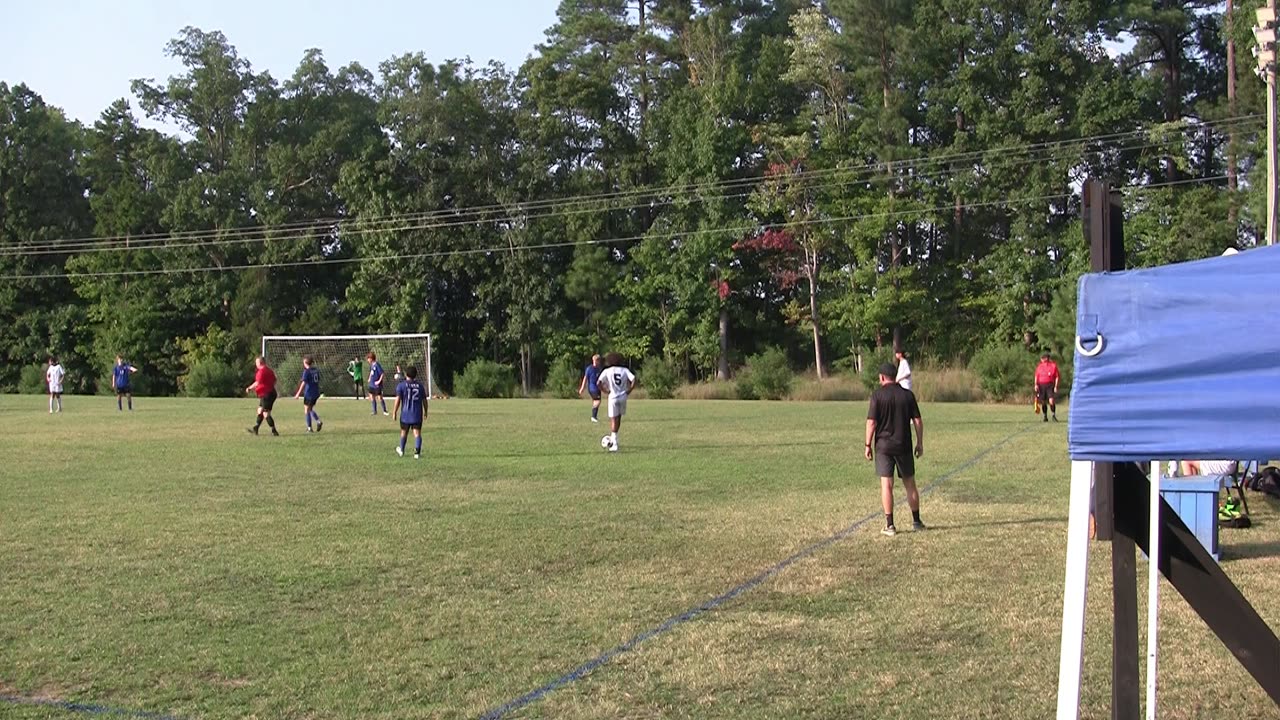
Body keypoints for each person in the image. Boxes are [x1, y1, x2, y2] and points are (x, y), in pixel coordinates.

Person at [865, 362, 925, 536]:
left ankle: (890, 525)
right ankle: (916, 521)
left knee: (887, 485)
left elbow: (872, 422)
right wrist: (919, 443)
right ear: (895, 377)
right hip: (904, 444)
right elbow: (918, 421)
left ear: (882, 377)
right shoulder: (907, 395)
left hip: (883, 446)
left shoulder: (877, 396)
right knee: (910, 483)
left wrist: (867, 444)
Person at [599, 352, 636, 453]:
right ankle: (614, 437)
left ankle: (614, 442)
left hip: (613, 397)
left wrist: (605, 391)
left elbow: (599, 382)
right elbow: (633, 379)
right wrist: (629, 390)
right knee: (618, 418)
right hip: (623, 396)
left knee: (613, 419)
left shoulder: (608, 371)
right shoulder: (625, 370)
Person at [393, 366, 427, 459]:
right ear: (416, 374)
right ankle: (417, 453)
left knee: (404, 432)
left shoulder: (401, 385)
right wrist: (426, 411)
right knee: (417, 433)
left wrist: (394, 412)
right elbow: (424, 400)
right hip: (416, 414)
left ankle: (402, 450)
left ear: (406, 374)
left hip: (405, 414)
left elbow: (398, 400)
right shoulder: (420, 386)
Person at [245, 356, 280, 436]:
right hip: (269, 393)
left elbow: (257, 382)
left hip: (267, 394)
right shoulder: (269, 370)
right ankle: (256, 428)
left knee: (266, 413)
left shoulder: (261, 372)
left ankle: (274, 431)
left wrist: (249, 388)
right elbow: (275, 380)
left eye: (256, 362)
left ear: (260, 362)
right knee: (260, 410)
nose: (256, 364)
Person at [293, 356, 324, 433]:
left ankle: (310, 427)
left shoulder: (306, 371)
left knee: (307, 410)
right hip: (316, 392)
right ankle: (317, 422)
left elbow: (303, 383)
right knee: (310, 409)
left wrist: (298, 393)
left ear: (305, 363)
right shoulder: (315, 370)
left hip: (309, 393)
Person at [1034, 352, 1060, 422]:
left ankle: (1053, 415)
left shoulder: (1053, 366)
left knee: (1051, 401)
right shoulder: (1039, 366)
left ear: (1046, 358)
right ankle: (1045, 416)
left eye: (1042, 358)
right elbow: (1036, 376)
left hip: (1049, 385)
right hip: (1041, 385)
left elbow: (1057, 377)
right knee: (1043, 402)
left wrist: (1055, 386)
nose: (1041, 359)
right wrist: (1036, 384)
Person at [577, 354, 604, 423]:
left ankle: (594, 416)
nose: (598, 362)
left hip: (598, 388)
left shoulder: (599, 369)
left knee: (596, 401)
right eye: (597, 360)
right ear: (594, 360)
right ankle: (593, 417)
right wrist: (582, 388)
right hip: (592, 387)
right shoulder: (589, 368)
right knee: (597, 401)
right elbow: (585, 378)